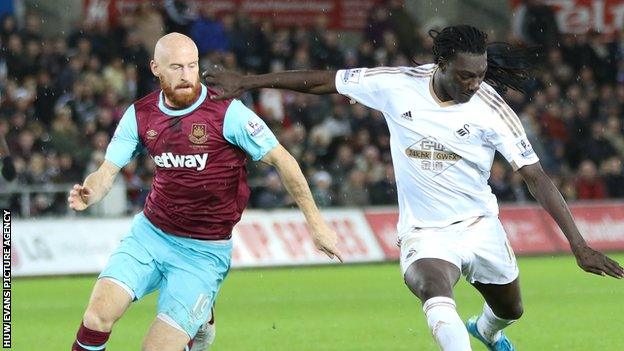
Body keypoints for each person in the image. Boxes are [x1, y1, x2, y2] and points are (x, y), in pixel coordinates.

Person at [203, 25, 624, 351]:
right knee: (432, 288)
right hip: (424, 231)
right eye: (464, 76)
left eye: (479, 76)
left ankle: (485, 330)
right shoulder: (395, 83)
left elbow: (535, 176)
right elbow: (322, 81)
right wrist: (248, 82)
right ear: (440, 63)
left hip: (480, 225)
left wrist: (578, 244)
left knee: (510, 310)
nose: (473, 84)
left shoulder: (491, 107)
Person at [68, 32, 342, 351]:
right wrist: (89, 192)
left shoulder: (228, 113)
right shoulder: (140, 115)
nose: (186, 75)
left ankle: (200, 320)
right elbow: (106, 172)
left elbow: (284, 160)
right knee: (96, 317)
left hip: (204, 252)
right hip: (150, 235)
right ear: (155, 68)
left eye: (191, 66)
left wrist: (316, 224)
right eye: (176, 67)